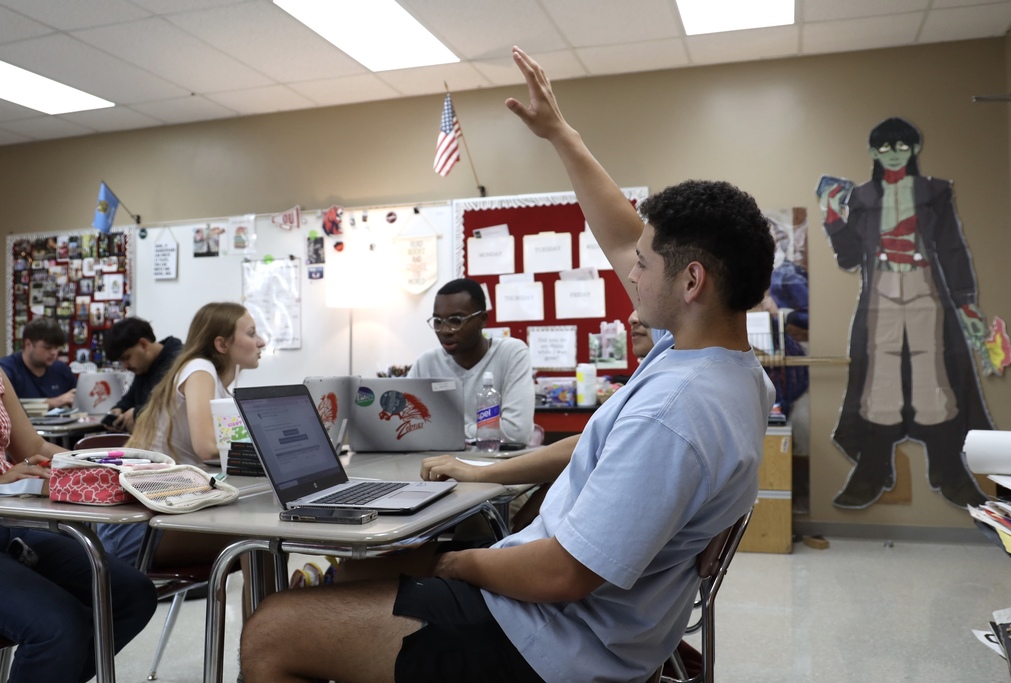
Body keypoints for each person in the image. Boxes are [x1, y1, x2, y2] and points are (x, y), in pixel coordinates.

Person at [239, 46, 775, 683]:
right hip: (599, 619)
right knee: (359, 570)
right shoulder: (724, 368)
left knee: (271, 628)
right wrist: (560, 135)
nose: (629, 268)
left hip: (556, 642)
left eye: (644, 263)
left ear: (691, 281)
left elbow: (562, 574)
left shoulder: (676, 410)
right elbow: (619, 239)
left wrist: (455, 564)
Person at [819, 117, 992, 509]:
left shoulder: (934, 192)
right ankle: (874, 469)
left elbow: (951, 246)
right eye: (884, 147)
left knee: (934, 376)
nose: (893, 153)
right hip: (879, 291)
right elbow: (850, 259)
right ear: (873, 152)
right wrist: (832, 219)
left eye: (901, 146)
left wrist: (965, 300)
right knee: (879, 381)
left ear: (913, 149)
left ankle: (949, 471)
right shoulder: (861, 197)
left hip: (924, 287)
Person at [0, 368, 157, 683]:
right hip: (9, 511)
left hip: (10, 521)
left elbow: (35, 448)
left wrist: (101, 469)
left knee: (130, 594)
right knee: (59, 626)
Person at [98, 302, 265, 565]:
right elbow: (207, 448)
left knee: (261, 531)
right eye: (252, 333)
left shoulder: (214, 383)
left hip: (161, 510)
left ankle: (276, 603)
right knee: (261, 536)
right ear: (222, 344)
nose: (261, 342)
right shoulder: (200, 368)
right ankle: (280, 603)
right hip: (135, 525)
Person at [408, 278, 534, 445]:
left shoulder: (512, 353)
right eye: (438, 321)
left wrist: (447, 431)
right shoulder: (426, 363)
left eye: (456, 321)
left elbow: (516, 432)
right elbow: (405, 426)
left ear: (482, 319)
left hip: (497, 464)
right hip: (440, 462)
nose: (445, 330)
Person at [103, 317, 183, 432]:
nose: (125, 366)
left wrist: (137, 414)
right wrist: (117, 410)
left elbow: (171, 406)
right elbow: (129, 399)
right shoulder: (144, 367)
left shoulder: (179, 362)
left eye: (126, 358)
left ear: (144, 344)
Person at [0, 318, 77, 409]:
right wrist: (56, 402)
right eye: (47, 347)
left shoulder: (62, 371)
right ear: (28, 344)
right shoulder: (6, 371)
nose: (53, 352)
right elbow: (8, 409)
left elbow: (78, 400)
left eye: (56, 348)